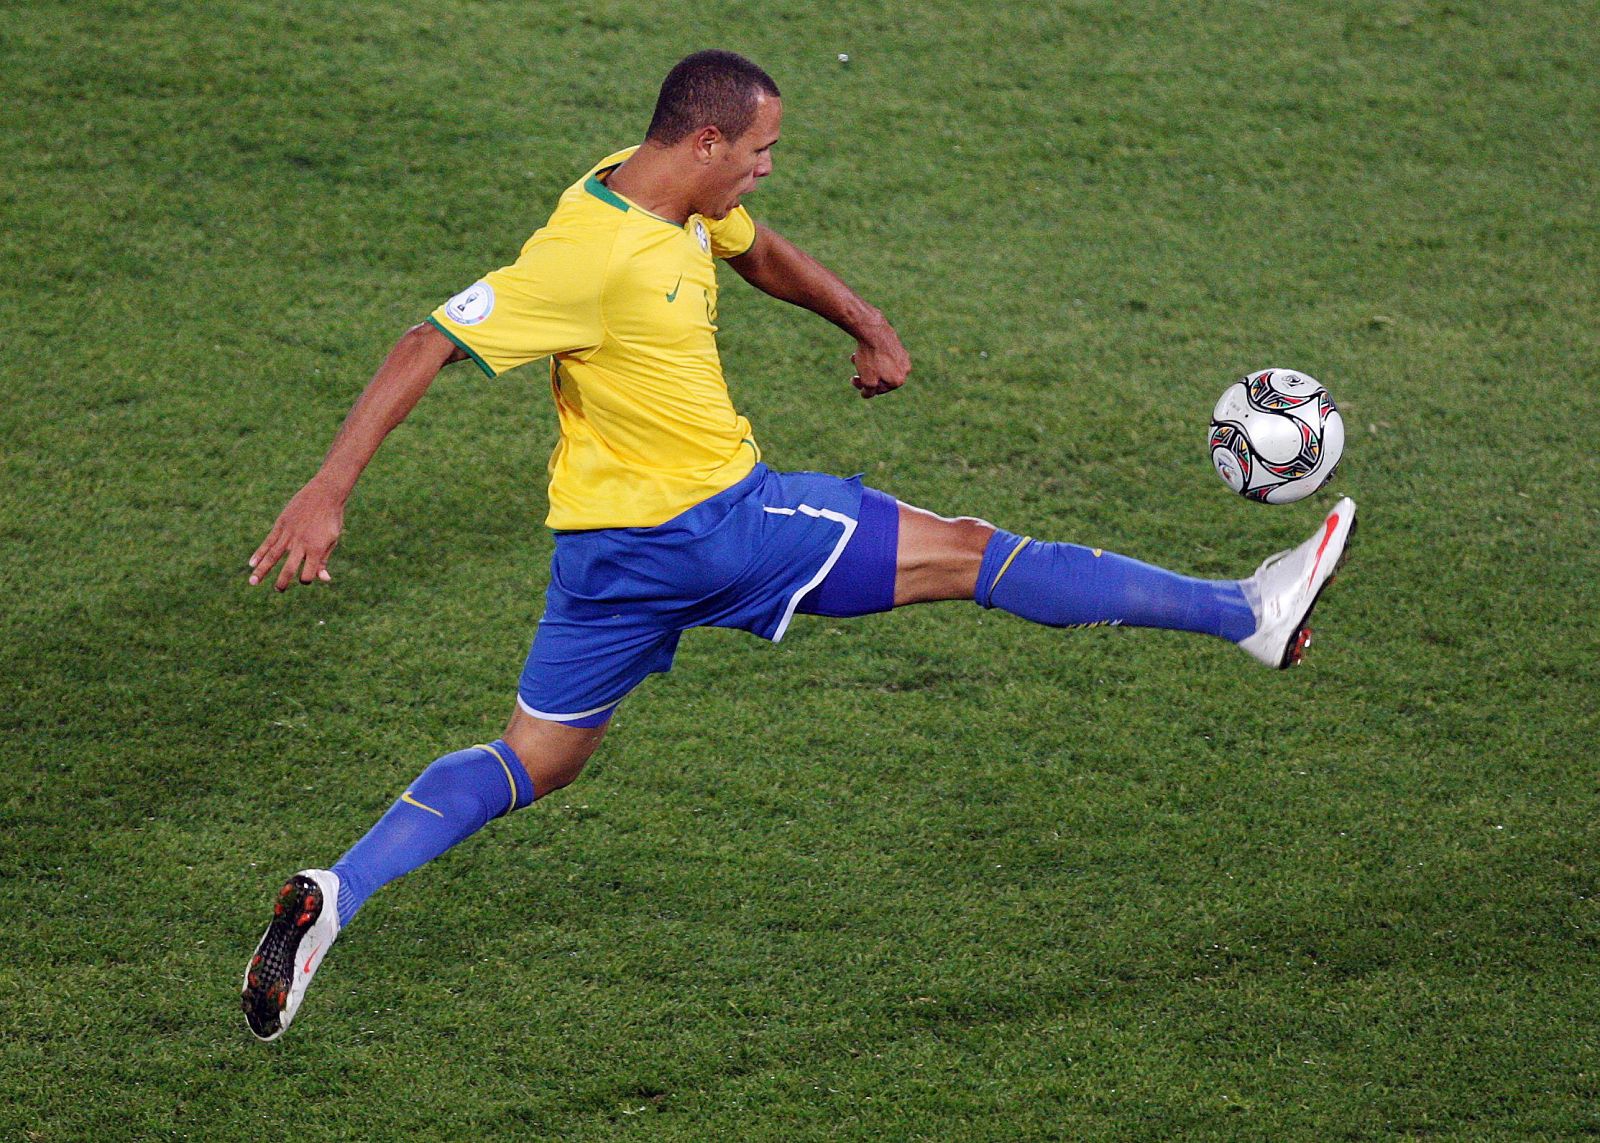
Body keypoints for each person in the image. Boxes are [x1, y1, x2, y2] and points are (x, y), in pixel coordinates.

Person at [241, 49, 1355, 1041]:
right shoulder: (589, 256)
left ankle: (336, 890)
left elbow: (753, 248)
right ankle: (1246, 615)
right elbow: (424, 342)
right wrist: (326, 489)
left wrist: (862, 323)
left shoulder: (648, 183)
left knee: (537, 760)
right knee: (971, 552)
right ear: (708, 140)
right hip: (720, 529)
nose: (768, 169)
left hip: (603, 561)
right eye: (761, 150)